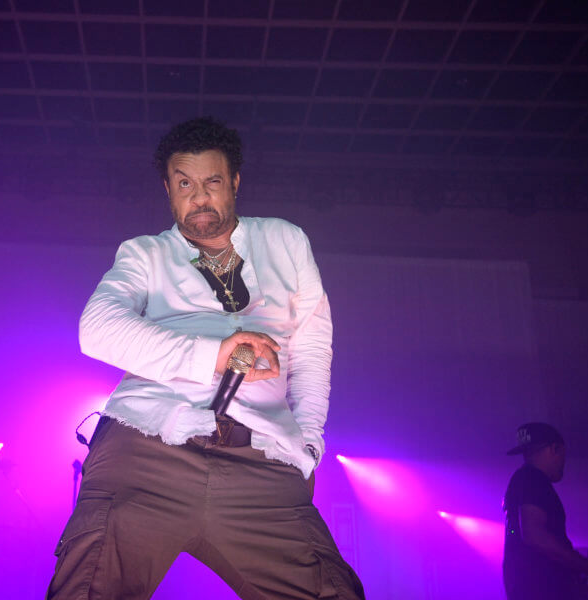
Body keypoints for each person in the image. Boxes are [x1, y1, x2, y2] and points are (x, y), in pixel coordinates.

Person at [46, 117, 364, 599]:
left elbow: (313, 346)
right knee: (87, 589)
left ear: (234, 182)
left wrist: (310, 443)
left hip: (260, 458)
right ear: (169, 190)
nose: (199, 197)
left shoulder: (284, 239)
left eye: (212, 182)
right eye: (184, 184)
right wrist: (213, 355)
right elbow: (97, 329)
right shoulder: (144, 254)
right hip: (145, 446)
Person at [503, 422, 588, 600]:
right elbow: (535, 536)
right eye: (563, 455)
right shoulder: (531, 478)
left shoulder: (523, 479)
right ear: (555, 449)